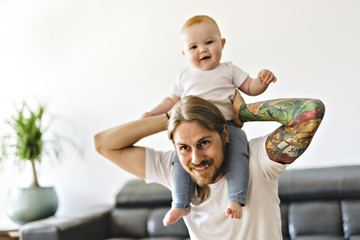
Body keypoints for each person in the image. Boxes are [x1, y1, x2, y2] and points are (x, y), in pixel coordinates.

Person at [94, 93, 325, 240]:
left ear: (224, 133)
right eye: (184, 147)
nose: (196, 158)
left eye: (204, 143)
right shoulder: (174, 168)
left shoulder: (256, 159)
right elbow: (103, 144)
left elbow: (310, 111)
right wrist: (171, 116)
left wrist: (242, 112)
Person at [142, 15, 277, 226]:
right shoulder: (185, 76)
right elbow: (171, 100)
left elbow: (250, 87)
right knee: (178, 159)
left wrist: (262, 81)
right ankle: (180, 203)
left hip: (226, 125)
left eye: (209, 42)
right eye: (193, 47)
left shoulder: (229, 70)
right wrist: (152, 114)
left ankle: (235, 198)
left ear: (222, 44)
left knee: (239, 153)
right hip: (193, 128)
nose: (202, 50)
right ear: (185, 53)